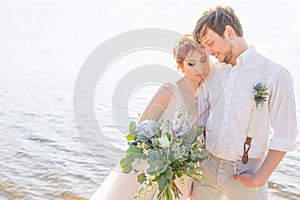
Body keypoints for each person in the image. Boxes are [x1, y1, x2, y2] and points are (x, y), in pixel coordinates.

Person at [191, 5, 297, 200]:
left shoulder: (275, 74)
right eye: (204, 46)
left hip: (245, 172)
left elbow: (285, 135)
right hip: (205, 168)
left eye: (210, 43)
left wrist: (259, 178)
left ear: (229, 32)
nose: (207, 51)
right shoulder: (212, 72)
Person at [90, 34, 210, 200]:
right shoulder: (170, 90)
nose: (199, 69)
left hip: (182, 174)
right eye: (191, 63)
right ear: (181, 66)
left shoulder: (206, 98)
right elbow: (142, 128)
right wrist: (160, 154)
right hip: (153, 169)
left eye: (203, 60)